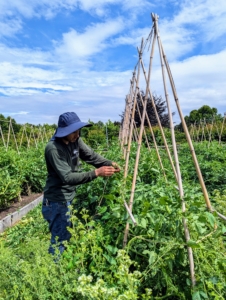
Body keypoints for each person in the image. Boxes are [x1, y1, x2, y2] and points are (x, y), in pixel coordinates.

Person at [42, 112, 120, 255]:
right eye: (74, 131)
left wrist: (110, 163)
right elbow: (68, 177)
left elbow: (91, 156)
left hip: (68, 197)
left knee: (66, 234)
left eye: (78, 130)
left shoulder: (75, 140)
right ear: (64, 132)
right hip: (56, 200)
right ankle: (55, 270)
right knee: (60, 239)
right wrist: (96, 173)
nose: (77, 134)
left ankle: (61, 265)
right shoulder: (53, 148)